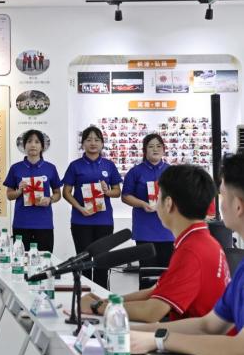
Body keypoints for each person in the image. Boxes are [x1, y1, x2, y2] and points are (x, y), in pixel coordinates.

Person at [130, 153, 244, 355]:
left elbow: (239, 351)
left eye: (222, 196)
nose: (219, 206)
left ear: (238, 206)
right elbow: (208, 326)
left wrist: (161, 340)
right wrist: (138, 331)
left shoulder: (193, 249)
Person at [80, 165, 228, 323]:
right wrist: (105, 301)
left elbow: (151, 312)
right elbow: (153, 291)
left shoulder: (191, 250)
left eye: (158, 197)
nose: (156, 204)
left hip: (196, 336)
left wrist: (98, 307)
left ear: (168, 203)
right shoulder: (200, 240)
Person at [62, 126, 122, 289]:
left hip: (104, 221)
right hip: (81, 221)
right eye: (88, 140)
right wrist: (79, 208)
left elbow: (117, 192)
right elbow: (66, 192)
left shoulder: (109, 165)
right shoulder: (75, 166)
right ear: (83, 144)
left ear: (102, 144)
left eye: (97, 140)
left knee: (103, 262)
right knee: (84, 262)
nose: (93, 143)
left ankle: (102, 296)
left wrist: (107, 192)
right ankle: (84, 296)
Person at [121, 133, 175, 271]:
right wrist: (142, 204)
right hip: (144, 229)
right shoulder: (135, 171)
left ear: (163, 149)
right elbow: (125, 196)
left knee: (167, 274)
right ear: (145, 150)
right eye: (151, 146)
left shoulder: (172, 171)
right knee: (147, 273)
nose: (155, 149)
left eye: (158, 146)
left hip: (168, 230)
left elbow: (180, 195)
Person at [3, 129, 61, 252]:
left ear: (42, 147)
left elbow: (58, 193)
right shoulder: (16, 168)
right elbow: (9, 195)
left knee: (44, 260)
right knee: (21, 260)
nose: (33, 145)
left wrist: (50, 199)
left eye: (37, 142)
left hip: (44, 223)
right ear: (24, 146)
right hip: (21, 223)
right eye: (29, 141)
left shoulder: (50, 168)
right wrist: (19, 191)